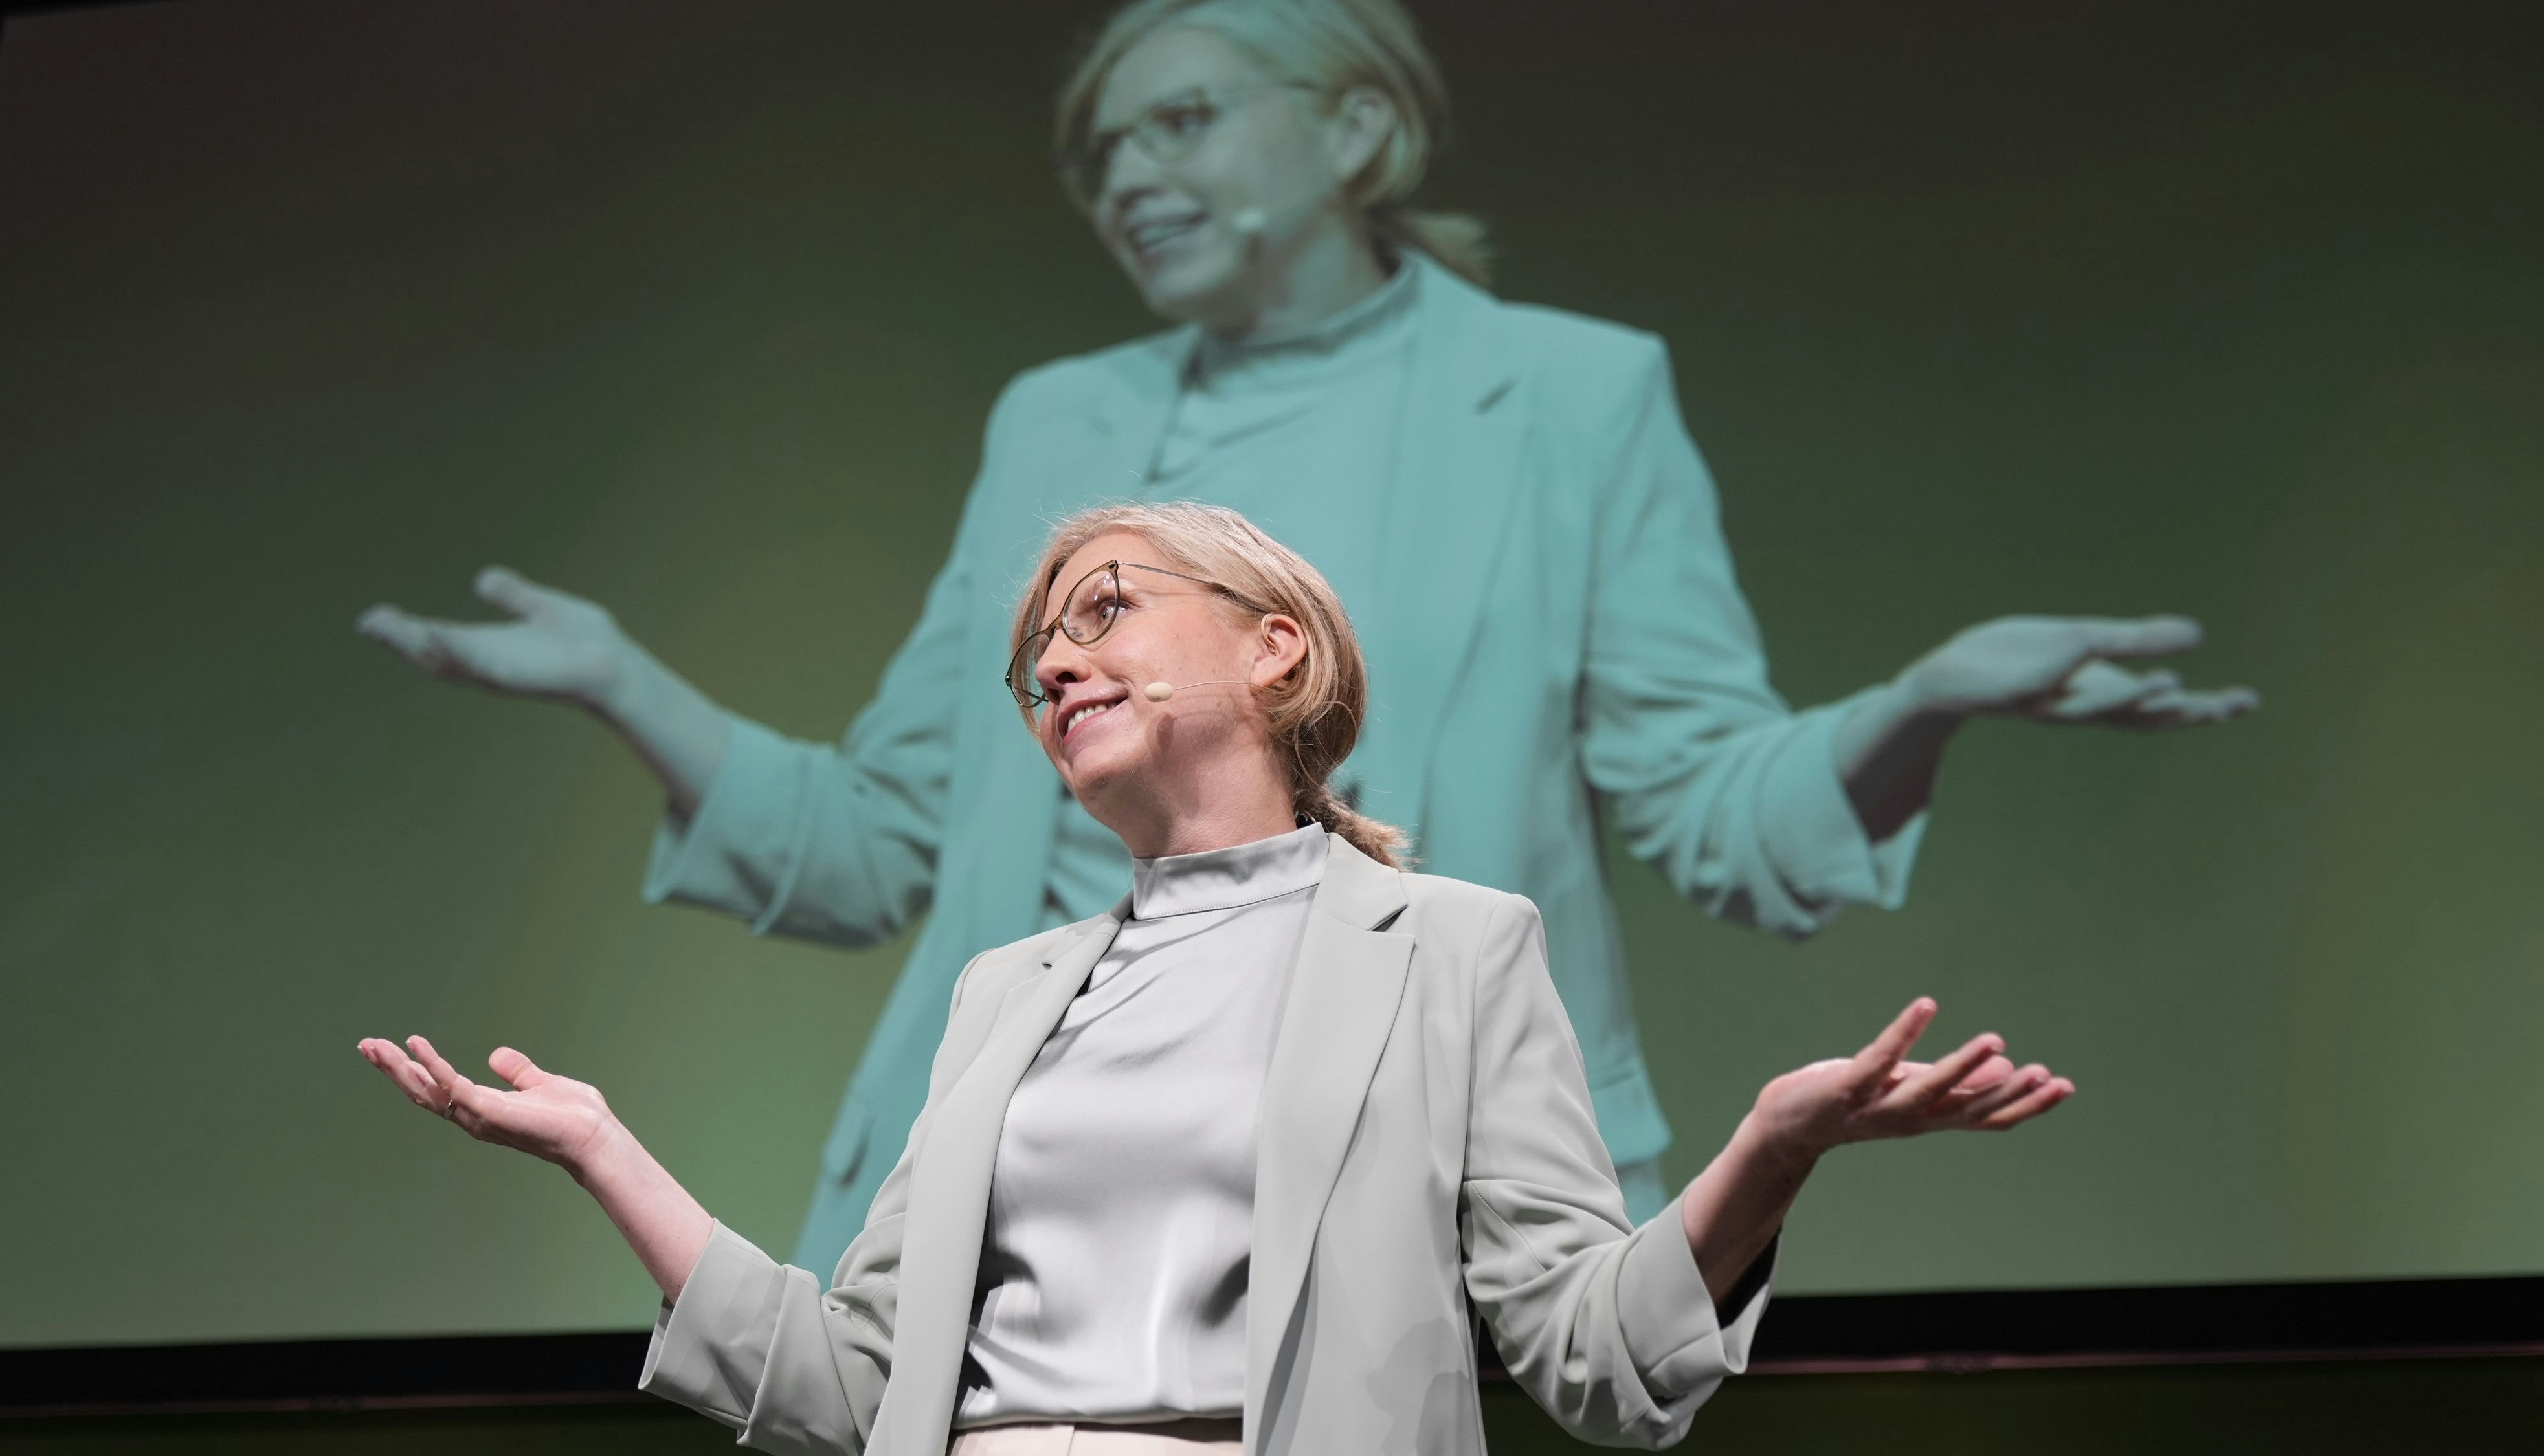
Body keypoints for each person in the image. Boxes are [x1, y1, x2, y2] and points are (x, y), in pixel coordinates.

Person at [355, 0, 2246, 1273]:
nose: (1128, 179)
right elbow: (888, 847)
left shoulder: (1568, 401)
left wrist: (1920, 705)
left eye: (1182, 122)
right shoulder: (1058, 425)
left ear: (1356, 126)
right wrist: (624, 681)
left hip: (1415, 1192)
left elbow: (1715, 812)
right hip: (1024, 1198)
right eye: (1100, 154)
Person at [357, 504, 2075, 1455]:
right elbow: (853, 1381)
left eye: (1105, 608)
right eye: (1040, 650)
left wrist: (1768, 1148)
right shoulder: (1002, 994)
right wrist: (604, 1150)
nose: (1057, 656)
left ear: (1280, 646)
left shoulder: (1456, 948)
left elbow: (1593, 1365)